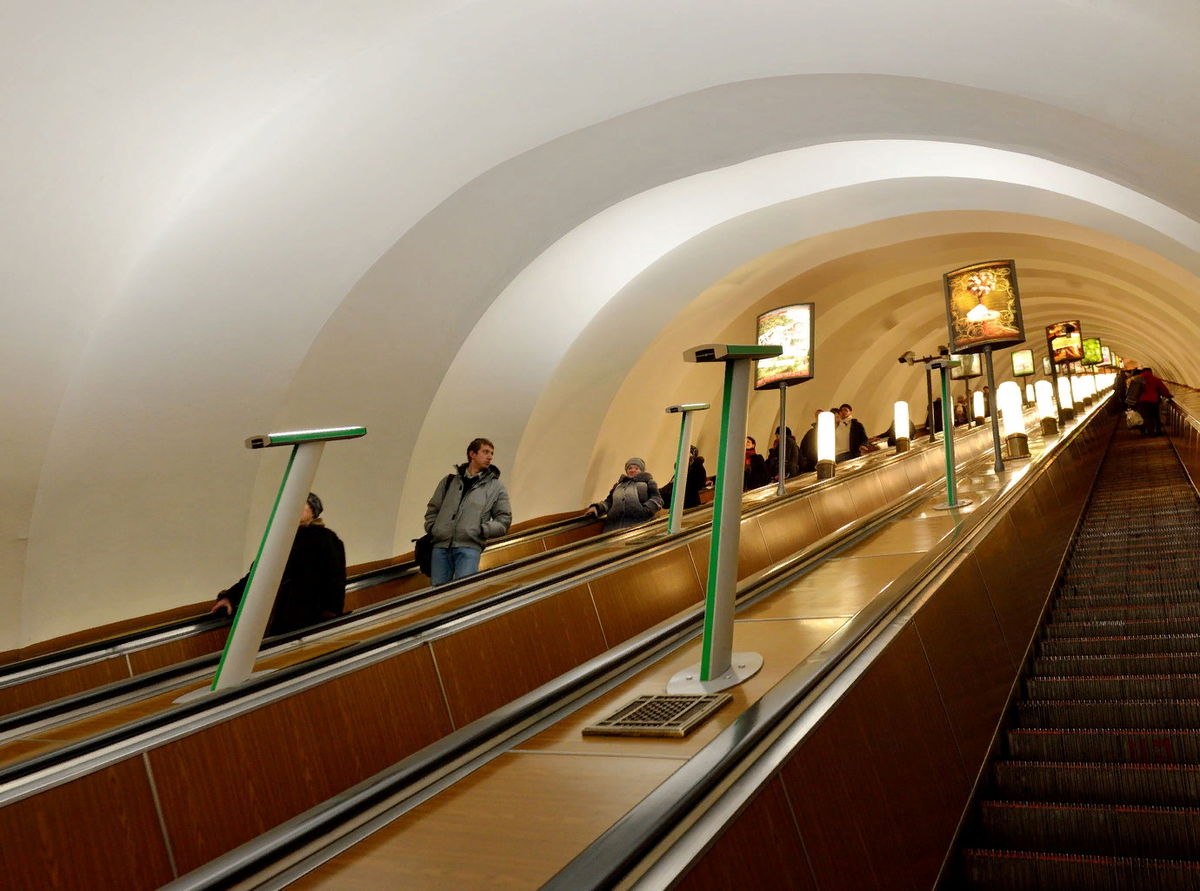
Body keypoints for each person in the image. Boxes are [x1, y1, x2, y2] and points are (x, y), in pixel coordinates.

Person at [211, 492, 346, 636]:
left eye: (302, 505)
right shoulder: (279, 539)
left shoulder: (327, 540)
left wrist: (330, 617)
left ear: (314, 513)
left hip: (310, 621)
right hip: (277, 620)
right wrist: (230, 596)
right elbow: (257, 575)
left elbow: (336, 581)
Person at [424, 437, 513, 586]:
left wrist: (481, 529)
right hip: (441, 547)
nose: (490, 457)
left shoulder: (496, 487)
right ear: (472, 454)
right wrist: (434, 529)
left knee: (463, 593)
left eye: (491, 453)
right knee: (436, 597)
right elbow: (433, 509)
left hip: (469, 548)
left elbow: (504, 521)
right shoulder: (449, 481)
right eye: (485, 452)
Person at [587, 458, 663, 531]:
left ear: (641, 470)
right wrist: (597, 508)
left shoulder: (648, 483)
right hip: (613, 528)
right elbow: (609, 502)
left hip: (639, 527)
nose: (633, 470)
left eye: (636, 468)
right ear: (626, 470)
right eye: (630, 468)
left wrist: (647, 510)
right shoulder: (618, 485)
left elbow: (657, 499)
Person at [1134, 367, 1172, 436]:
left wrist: (1132, 403)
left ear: (1142, 372)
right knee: (1155, 416)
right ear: (1151, 372)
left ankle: (1149, 432)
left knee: (1146, 417)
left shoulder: (1137, 380)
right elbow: (1164, 389)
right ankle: (1158, 430)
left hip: (1142, 402)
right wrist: (1168, 396)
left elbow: (1132, 392)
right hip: (1153, 401)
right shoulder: (1156, 379)